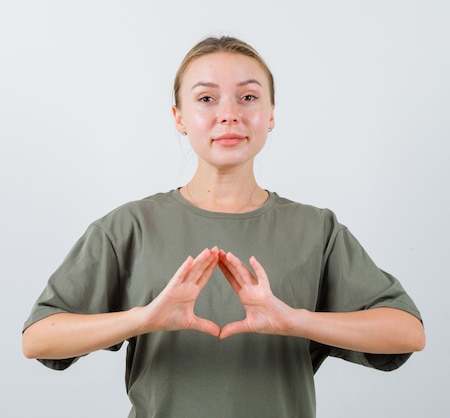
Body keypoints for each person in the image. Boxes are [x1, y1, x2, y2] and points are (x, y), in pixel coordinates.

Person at [22, 36, 425, 417]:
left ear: (270, 115)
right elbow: (39, 338)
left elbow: (406, 331)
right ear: (179, 118)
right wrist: (144, 318)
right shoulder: (129, 227)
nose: (229, 113)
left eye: (248, 97)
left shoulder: (316, 229)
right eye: (206, 98)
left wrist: (293, 320)